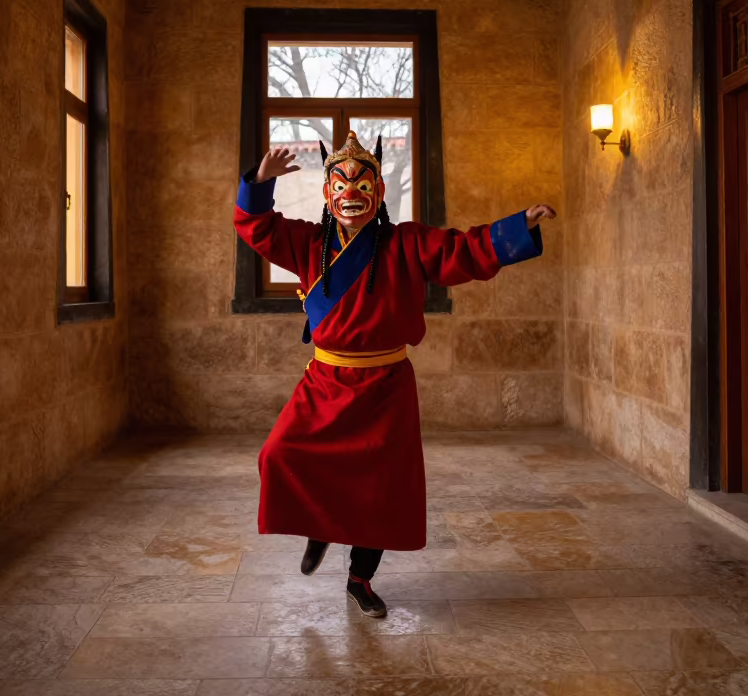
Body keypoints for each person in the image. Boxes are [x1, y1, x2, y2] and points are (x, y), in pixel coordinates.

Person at [233, 131, 554, 617]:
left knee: (380, 489)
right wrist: (260, 181)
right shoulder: (309, 243)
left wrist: (518, 227)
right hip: (325, 381)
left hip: (386, 386)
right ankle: (321, 526)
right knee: (278, 454)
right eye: (341, 185)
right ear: (327, 193)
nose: (351, 194)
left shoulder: (406, 243)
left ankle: (360, 579)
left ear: (379, 192)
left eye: (363, 185)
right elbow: (257, 228)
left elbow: (463, 250)